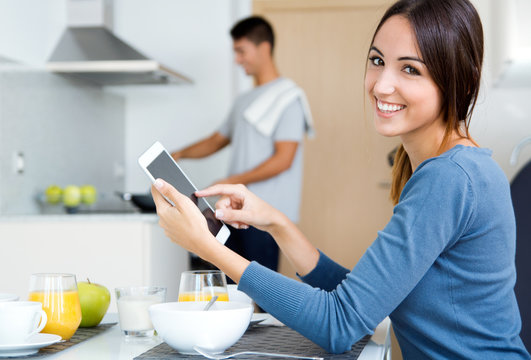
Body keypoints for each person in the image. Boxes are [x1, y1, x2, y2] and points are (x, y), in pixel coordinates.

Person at [151, 0, 530, 358]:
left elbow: (340, 323)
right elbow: (361, 299)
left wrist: (209, 248)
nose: (381, 85)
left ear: (459, 82)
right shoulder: (447, 168)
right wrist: (276, 222)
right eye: (377, 61)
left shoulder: (449, 178)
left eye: (410, 69)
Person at [171, 16, 313, 273]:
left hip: (264, 215)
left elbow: (284, 159)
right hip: (233, 211)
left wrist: (235, 179)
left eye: (241, 51)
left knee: (263, 293)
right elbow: (217, 140)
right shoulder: (244, 100)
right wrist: (180, 153)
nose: (237, 59)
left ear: (264, 48)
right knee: (234, 289)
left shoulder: (288, 98)